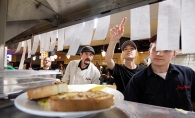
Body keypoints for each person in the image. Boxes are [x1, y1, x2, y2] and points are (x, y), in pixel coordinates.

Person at [124, 35, 195, 111]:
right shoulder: (137, 79)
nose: (159, 54)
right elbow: (129, 108)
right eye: (155, 49)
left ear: (174, 54)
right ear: (149, 51)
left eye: (166, 50)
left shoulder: (188, 73)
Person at [105, 17, 145, 93]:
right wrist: (113, 40)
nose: (128, 50)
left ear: (136, 53)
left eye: (132, 48)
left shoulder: (143, 70)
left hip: (139, 104)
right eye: (125, 49)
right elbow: (108, 60)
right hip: (122, 103)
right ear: (122, 54)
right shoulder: (119, 69)